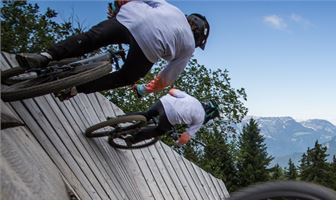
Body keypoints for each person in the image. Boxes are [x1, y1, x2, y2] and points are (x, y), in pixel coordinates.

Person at [16, 0, 210, 100]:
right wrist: (143, 89)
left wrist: (118, 7)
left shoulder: (172, 8)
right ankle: (76, 88)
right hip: (148, 48)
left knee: (91, 38)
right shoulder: (189, 47)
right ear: (199, 37)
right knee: (125, 77)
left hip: (129, 19)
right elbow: (166, 78)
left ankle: (45, 56)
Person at [124, 88, 220, 145]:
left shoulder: (194, 99)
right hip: (170, 116)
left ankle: (119, 119)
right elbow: (185, 138)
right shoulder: (201, 119)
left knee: (147, 114)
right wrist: (179, 143)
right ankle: (132, 140)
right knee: (159, 131)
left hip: (163, 102)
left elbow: (172, 91)